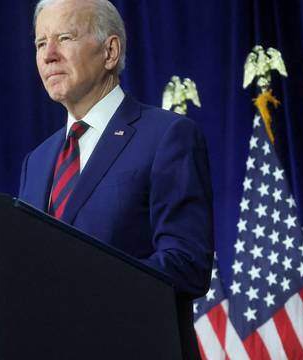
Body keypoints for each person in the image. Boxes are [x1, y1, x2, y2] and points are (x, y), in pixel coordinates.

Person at [19, 0, 213, 357]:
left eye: (64, 37)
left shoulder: (166, 135)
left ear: (110, 51)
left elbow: (187, 263)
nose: (49, 56)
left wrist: (85, 287)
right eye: (40, 43)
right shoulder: (37, 161)